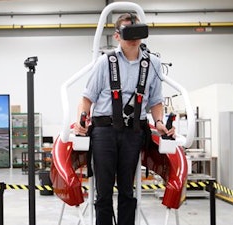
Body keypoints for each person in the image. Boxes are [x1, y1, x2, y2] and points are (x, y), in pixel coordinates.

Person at [73, 13, 175, 225]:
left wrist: (159, 123)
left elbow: (155, 101)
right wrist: (81, 122)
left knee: (128, 191)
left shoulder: (152, 64)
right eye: (128, 31)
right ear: (117, 36)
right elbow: (86, 99)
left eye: (137, 31)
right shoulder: (105, 62)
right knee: (103, 192)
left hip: (133, 132)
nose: (133, 37)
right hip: (104, 132)